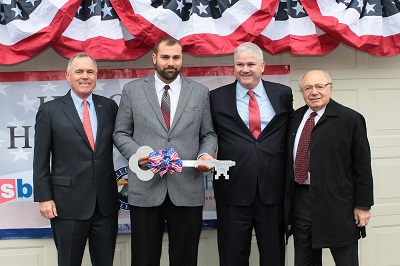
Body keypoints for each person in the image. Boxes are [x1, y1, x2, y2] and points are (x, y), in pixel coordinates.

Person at [113, 37, 217, 266]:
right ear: (154, 58)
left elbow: (208, 134)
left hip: (187, 188)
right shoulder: (132, 91)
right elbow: (120, 133)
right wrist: (140, 154)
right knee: (144, 258)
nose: (171, 62)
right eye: (165, 57)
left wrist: (205, 155)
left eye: (176, 57)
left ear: (182, 59)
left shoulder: (199, 92)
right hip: (146, 188)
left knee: (185, 257)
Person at [209, 42, 293, 266]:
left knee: (273, 256)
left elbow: (290, 134)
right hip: (232, 191)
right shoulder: (216, 97)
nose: (245, 69)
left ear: (262, 66)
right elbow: (207, 134)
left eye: (250, 64)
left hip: (272, 191)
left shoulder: (283, 94)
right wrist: (203, 155)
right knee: (232, 257)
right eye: (239, 64)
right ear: (233, 67)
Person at [33, 52, 120, 266]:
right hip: (67, 205)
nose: (85, 76)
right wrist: (44, 197)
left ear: (96, 76)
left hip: (105, 205)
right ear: (68, 75)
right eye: (79, 71)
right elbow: (40, 158)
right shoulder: (50, 110)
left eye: (90, 72)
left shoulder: (109, 107)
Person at [284, 70, 374, 265]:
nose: (314, 92)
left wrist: (363, 206)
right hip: (302, 203)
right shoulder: (295, 119)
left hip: (339, 205)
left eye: (319, 86)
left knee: (345, 261)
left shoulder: (350, 119)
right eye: (308, 88)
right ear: (302, 92)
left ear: (330, 88)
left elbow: (363, 167)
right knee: (304, 261)